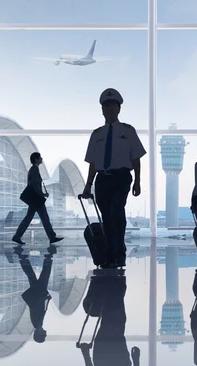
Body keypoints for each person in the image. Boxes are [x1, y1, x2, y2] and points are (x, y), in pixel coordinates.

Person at [81, 88, 146, 268]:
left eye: (112, 106)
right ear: (102, 110)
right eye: (105, 106)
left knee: (117, 210)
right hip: (102, 179)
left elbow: (136, 158)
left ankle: (119, 251)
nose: (108, 109)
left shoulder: (128, 131)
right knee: (107, 218)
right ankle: (110, 254)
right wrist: (88, 185)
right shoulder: (96, 135)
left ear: (119, 109)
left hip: (122, 177)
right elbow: (92, 163)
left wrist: (138, 181)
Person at [12, 152, 63, 245]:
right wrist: (42, 194)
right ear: (36, 159)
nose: (42, 159)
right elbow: (35, 185)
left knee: (29, 218)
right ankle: (52, 237)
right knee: (45, 218)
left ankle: (17, 236)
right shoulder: (35, 169)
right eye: (40, 157)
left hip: (34, 199)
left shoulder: (33, 169)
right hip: (37, 199)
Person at [18, 245, 55, 343]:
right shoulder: (37, 324)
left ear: (39, 334)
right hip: (37, 295)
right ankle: (22, 259)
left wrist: (46, 297)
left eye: (44, 336)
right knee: (32, 276)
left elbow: (38, 308)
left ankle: (48, 258)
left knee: (44, 276)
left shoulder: (38, 324)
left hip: (39, 294)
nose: (46, 334)